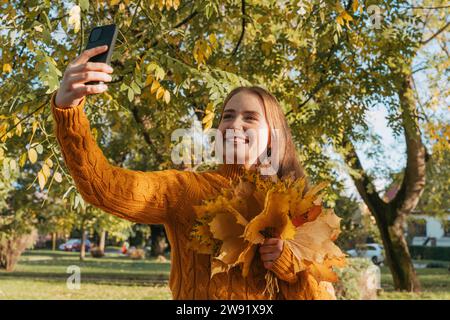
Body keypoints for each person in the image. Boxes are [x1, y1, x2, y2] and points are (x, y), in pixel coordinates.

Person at [51, 45, 334, 299]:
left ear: (272, 136)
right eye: (227, 116)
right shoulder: (185, 190)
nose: (235, 124)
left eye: (249, 118)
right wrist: (69, 110)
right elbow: (105, 187)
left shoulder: (301, 207)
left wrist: (287, 264)